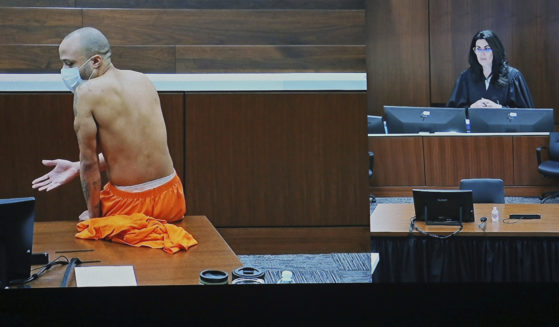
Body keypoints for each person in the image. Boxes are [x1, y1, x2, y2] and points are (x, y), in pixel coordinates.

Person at [31, 27, 186, 222]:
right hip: (172, 197)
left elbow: (90, 164)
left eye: (69, 64)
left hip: (132, 207)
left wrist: (94, 218)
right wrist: (75, 166)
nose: (65, 71)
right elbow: (132, 151)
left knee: (86, 223)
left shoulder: (86, 93)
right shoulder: (142, 79)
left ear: (96, 61)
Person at [447, 29, 534, 108]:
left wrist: (499, 108)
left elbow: (526, 115)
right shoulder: (465, 77)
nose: (482, 53)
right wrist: (471, 108)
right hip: (475, 125)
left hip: (503, 125)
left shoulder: (513, 77)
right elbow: (451, 113)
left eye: (487, 48)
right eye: (478, 49)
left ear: (496, 50)